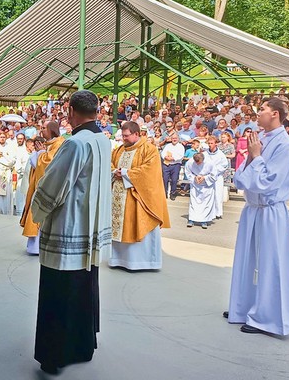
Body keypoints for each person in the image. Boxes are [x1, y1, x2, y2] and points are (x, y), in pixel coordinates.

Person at [30, 90, 112, 375]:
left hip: (69, 230)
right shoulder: (103, 140)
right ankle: (81, 346)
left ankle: (54, 356)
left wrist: (36, 207)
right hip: (89, 231)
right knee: (81, 290)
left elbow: (54, 188)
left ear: (71, 113)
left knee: (59, 292)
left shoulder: (75, 144)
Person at [226, 97, 289, 336]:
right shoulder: (262, 138)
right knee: (246, 261)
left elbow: (267, 183)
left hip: (270, 210)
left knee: (270, 264)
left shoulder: (285, 145)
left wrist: (255, 157)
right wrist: (250, 157)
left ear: (276, 114)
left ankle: (268, 319)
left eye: (263, 109)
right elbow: (242, 180)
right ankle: (243, 307)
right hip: (252, 209)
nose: (258, 113)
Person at [110, 121, 170, 270]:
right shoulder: (118, 151)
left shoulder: (149, 150)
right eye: (122, 136)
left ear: (137, 134)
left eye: (126, 136)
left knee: (139, 223)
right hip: (119, 194)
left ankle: (144, 262)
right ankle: (118, 260)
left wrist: (124, 173)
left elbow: (149, 172)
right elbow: (109, 163)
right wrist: (113, 171)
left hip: (139, 197)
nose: (123, 139)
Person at [20, 122, 64, 255]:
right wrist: (40, 152)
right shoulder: (48, 144)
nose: (41, 130)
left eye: (44, 128)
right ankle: (34, 246)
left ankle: (41, 246)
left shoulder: (59, 144)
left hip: (51, 188)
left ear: (52, 130)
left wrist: (39, 153)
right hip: (39, 185)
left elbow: (47, 165)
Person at [204, 136, 229, 219]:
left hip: (217, 177)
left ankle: (218, 213)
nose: (210, 145)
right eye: (209, 143)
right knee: (207, 194)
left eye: (212, 143)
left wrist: (215, 171)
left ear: (216, 144)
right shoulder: (205, 153)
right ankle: (208, 212)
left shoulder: (221, 154)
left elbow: (224, 165)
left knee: (218, 195)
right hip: (207, 177)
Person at [0, 132, 16, 215]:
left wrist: (4, 155)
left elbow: (13, 161)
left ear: (6, 138)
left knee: (5, 192)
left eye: (4, 137)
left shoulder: (10, 147)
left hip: (6, 171)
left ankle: (5, 210)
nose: (2, 138)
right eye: (0, 137)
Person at [160, 133, 185, 200]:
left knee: (174, 180)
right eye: (173, 138)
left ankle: (173, 193)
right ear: (171, 139)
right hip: (166, 164)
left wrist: (173, 158)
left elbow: (181, 155)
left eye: (175, 138)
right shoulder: (168, 146)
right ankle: (164, 193)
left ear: (178, 139)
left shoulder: (181, 146)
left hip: (176, 165)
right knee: (165, 179)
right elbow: (163, 153)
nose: (174, 139)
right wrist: (165, 157)